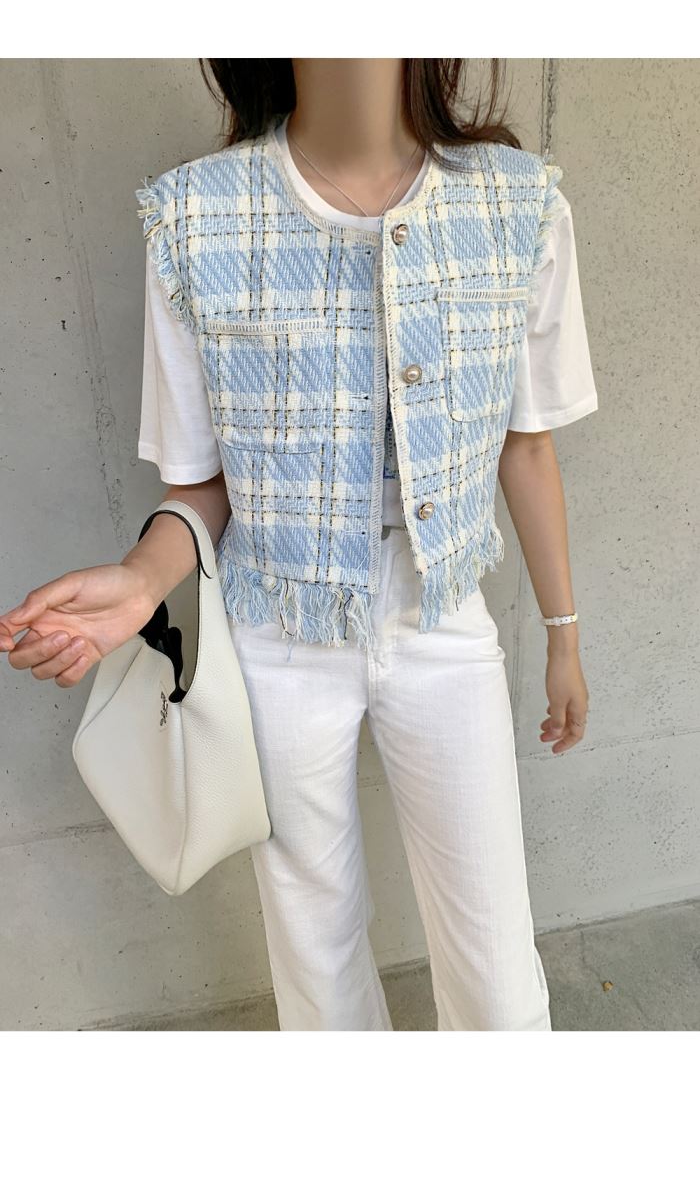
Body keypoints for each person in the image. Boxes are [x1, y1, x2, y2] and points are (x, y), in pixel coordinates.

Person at [0, 59, 597, 1031]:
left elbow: (525, 446)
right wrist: (143, 582)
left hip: (441, 615)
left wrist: (563, 634)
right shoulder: (196, 219)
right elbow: (202, 485)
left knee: (495, 969)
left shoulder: (517, 204)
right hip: (276, 630)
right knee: (315, 955)